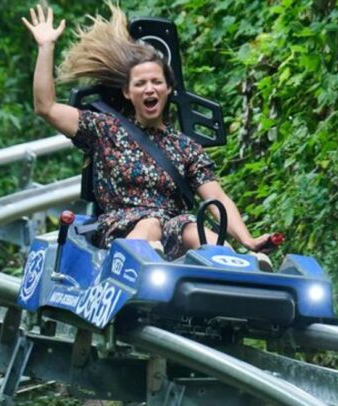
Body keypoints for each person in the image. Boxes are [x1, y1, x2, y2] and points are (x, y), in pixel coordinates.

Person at [22, 3, 274, 262]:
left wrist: (248, 240)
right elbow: (47, 107)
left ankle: (234, 268)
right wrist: (46, 47)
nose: (149, 89)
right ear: (128, 92)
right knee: (151, 223)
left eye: (156, 82)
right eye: (140, 84)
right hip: (122, 228)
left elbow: (217, 197)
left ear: (168, 89)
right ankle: (136, 264)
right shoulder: (105, 129)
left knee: (195, 231)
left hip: (173, 228)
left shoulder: (185, 148)